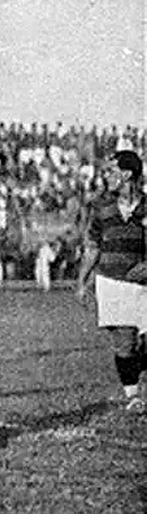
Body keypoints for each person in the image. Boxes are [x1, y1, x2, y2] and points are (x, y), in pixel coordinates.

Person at [75, 150, 147, 412]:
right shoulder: (101, 206)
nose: (107, 176)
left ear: (127, 174)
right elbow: (93, 246)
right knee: (124, 344)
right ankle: (133, 396)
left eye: (111, 170)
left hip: (143, 283)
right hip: (112, 282)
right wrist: (82, 282)